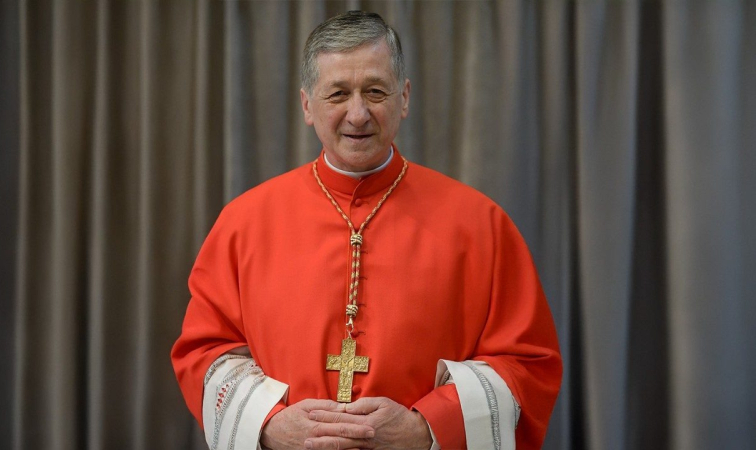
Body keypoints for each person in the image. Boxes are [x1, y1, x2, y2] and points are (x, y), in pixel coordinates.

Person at [172, 11, 561, 450]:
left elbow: (528, 364)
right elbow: (204, 355)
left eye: (375, 91)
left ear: (405, 98)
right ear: (306, 105)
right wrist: (268, 423)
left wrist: (428, 426)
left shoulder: (481, 224)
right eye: (338, 94)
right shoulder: (244, 223)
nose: (357, 114)